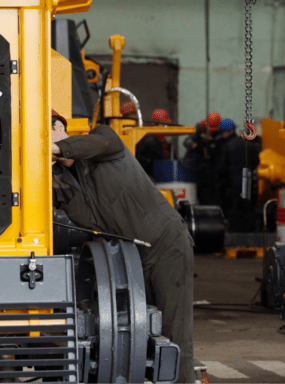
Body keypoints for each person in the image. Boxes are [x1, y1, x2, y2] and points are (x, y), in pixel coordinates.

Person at [49, 110, 195, 383]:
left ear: (58, 127)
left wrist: (55, 148)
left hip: (167, 246)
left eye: (41, 136)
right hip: (129, 261)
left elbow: (101, 144)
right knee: (139, 340)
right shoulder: (60, 181)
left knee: (174, 337)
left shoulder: (103, 139)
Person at [216, 118, 259, 232]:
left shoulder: (227, 147)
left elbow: (221, 168)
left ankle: (236, 239)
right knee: (249, 211)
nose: (222, 135)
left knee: (235, 214)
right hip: (249, 182)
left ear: (227, 132)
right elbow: (256, 162)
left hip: (233, 185)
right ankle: (251, 238)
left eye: (223, 132)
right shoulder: (248, 143)